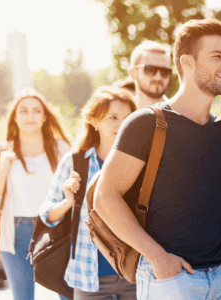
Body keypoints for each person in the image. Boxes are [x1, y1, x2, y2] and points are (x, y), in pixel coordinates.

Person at [93, 18, 221, 300]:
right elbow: (105, 197)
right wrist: (158, 257)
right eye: (217, 56)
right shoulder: (146, 123)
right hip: (171, 279)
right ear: (187, 62)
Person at [39, 87, 137, 299]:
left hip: (135, 274)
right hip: (88, 277)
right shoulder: (75, 162)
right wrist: (67, 202)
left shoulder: (142, 163)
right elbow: (47, 214)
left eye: (128, 117)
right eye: (113, 117)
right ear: (94, 122)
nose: (122, 123)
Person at [0, 88, 70, 300]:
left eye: (36, 111)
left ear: (44, 116)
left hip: (56, 230)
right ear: (14, 117)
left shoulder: (61, 148)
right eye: (23, 111)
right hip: (16, 233)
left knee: (68, 295)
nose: (30, 116)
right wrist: (4, 167)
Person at [128, 40, 172, 108]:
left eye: (165, 71)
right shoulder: (121, 115)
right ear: (133, 73)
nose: (158, 77)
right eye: (150, 70)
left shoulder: (181, 114)